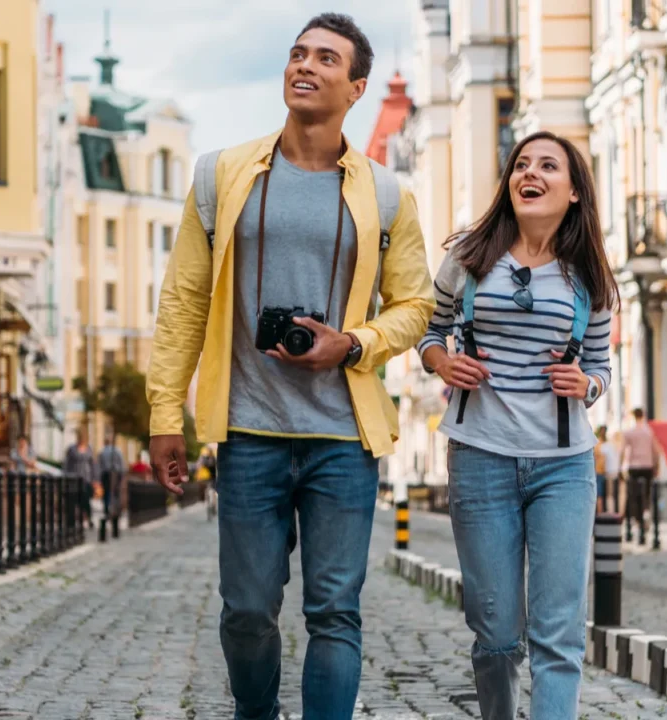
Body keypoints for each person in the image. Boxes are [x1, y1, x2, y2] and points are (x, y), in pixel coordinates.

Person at [145, 12, 434, 719]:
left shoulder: (387, 194)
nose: (305, 65)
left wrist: (353, 343)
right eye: (298, 53)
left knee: (334, 611)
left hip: (343, 437)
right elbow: (183, 301)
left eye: (326, 58)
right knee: (247, 610)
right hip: (249, 432)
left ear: (356, 88)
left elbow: (416, 305)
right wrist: (164, 413)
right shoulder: (221, 176)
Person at [419, 130, 617, 719]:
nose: (530, 173)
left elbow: (601, 365)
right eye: (522, 164)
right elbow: (429, 331)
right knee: (498, 632)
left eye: (548, 165)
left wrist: (587, 385)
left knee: (558, 633)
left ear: (574, 191)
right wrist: (442, 362)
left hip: (564, 467)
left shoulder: (589, 276)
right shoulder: (469, 257)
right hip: (480, 456)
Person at [621, 408, 659, 545]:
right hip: (647, 466)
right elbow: (656, 451)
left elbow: (623, 450)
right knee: (647, 494)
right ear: (643, 416)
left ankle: (637, 522)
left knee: (634, 496)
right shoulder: (649, 432)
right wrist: (657, 466)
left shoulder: (629, 432)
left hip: (634, 467)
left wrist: (620, 466)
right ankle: (646, 513)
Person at [64, 427, 97, 529]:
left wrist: (94, 479)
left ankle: (89, 518)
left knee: (85, 500)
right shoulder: (72, 449)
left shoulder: (89, 449)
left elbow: (93, 465)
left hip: (86, 479)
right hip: (73, 478)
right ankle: (71, 522)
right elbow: (66, 463)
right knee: (72, 501)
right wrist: (66, 475)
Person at [98, 432, 125, 534]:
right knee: (115, 493)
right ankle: (114, 511)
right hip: (116, 474)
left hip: (105, 474)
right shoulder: (117, 451)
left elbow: (99, 465)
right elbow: (121, 464)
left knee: (106, 493)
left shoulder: (102, 451)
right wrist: (122, 476)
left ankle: (107, 509)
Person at [594, 425, 619, 514]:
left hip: (601, 471)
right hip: (601, 471)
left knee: (601, 494)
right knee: (602, 494)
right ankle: (601, 513)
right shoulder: (602, 444)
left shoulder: (601, 444)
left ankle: (601, 513)